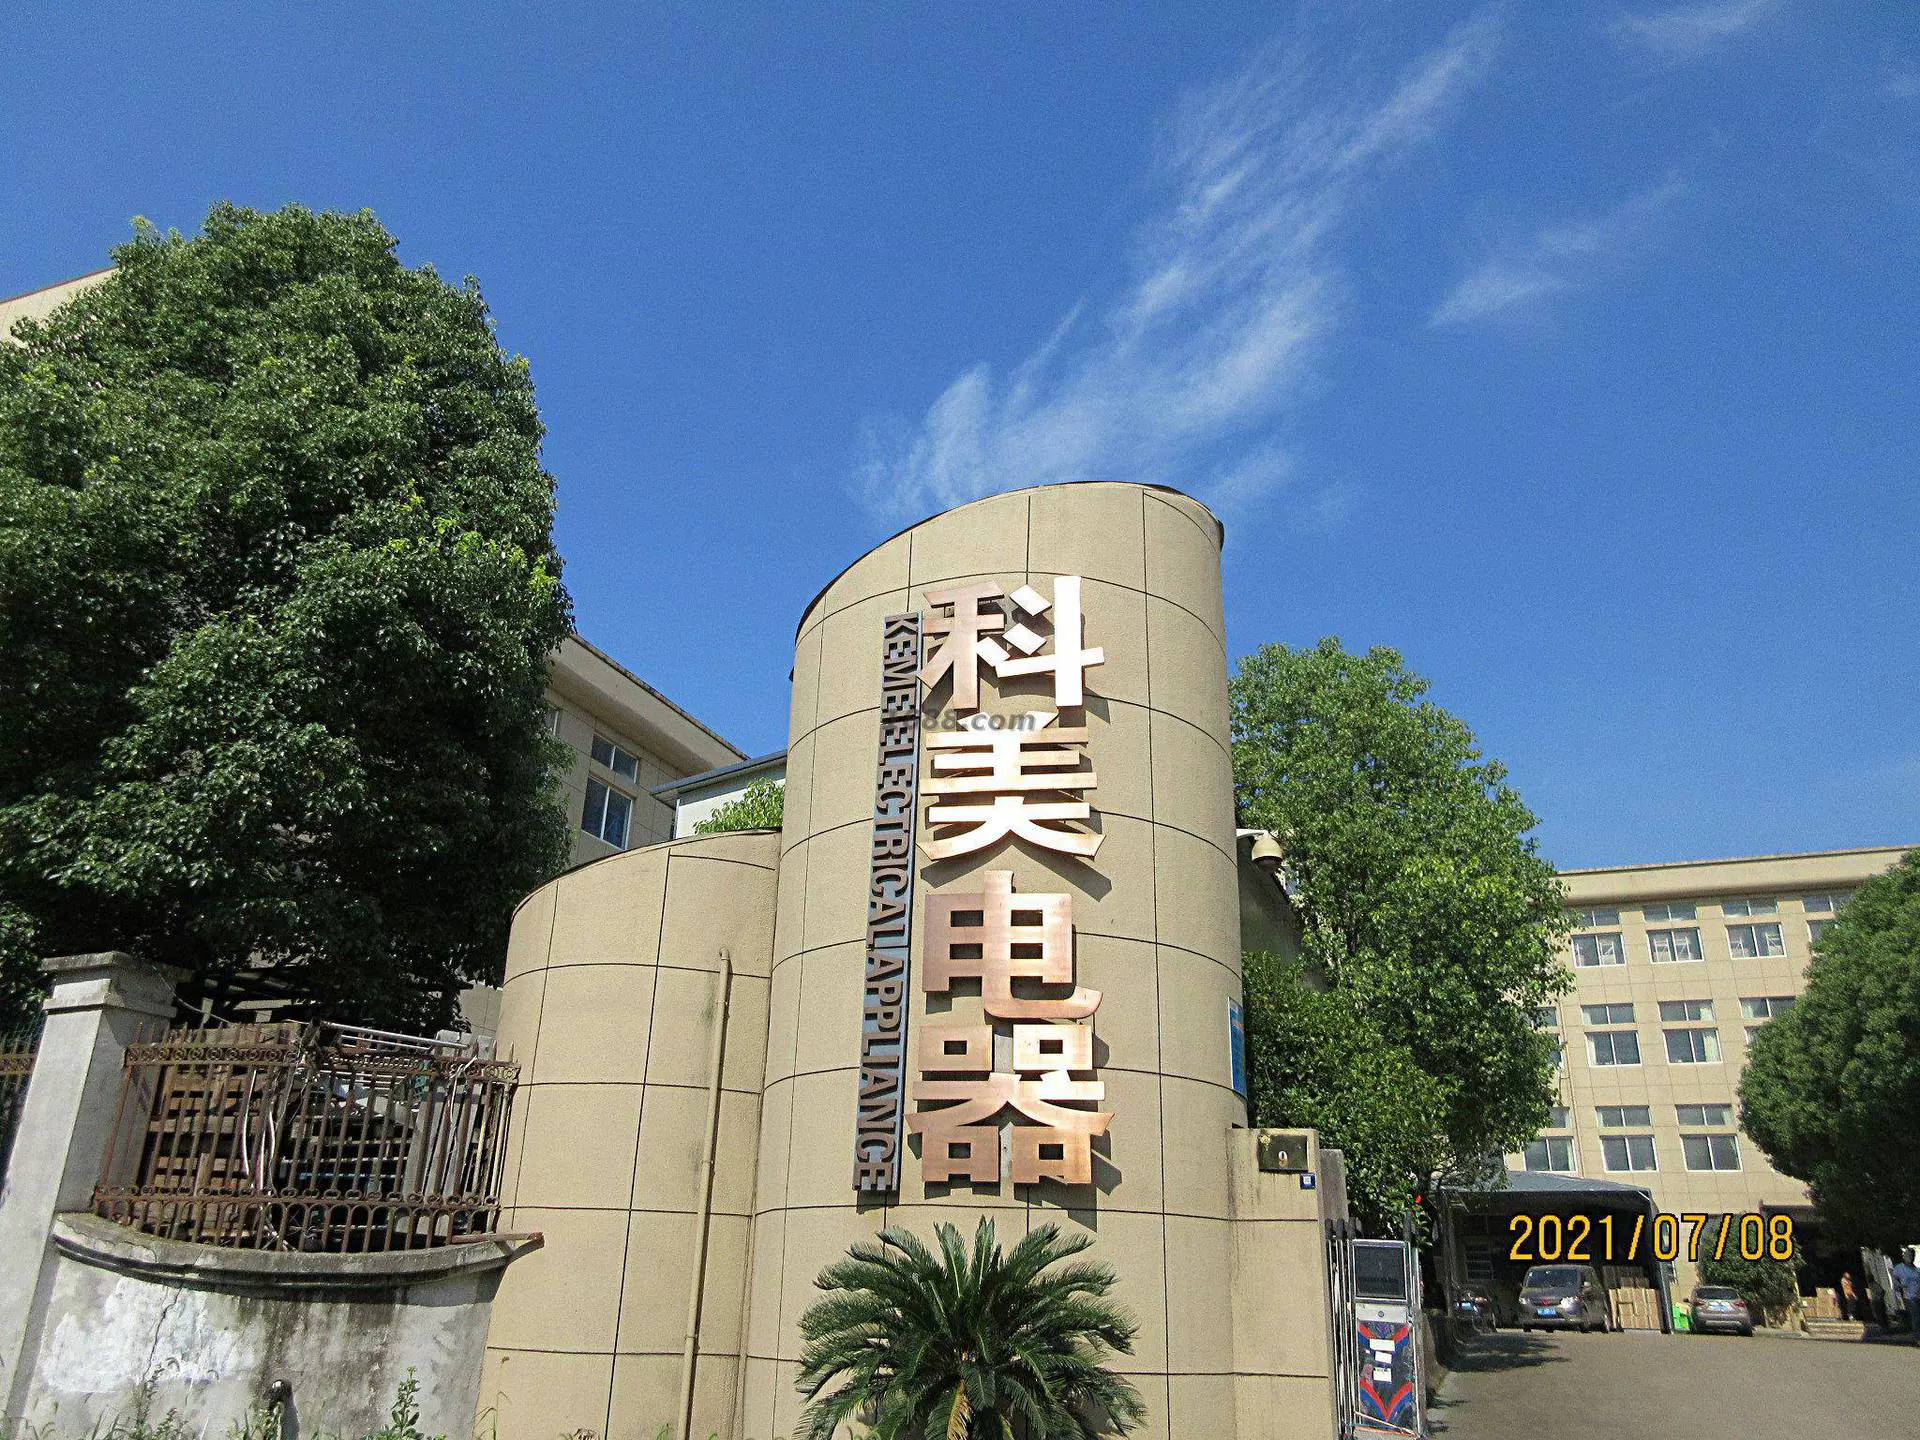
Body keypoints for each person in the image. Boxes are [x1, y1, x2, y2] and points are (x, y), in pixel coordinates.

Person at [1893, 1250, 1920, 1344]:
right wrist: (1900, 1285)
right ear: (1904, 1256)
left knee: (1917, 1317)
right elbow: (1894, 1279)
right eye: (1908, 1255)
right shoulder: (1899, 1267)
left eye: (1912, 1255)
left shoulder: (1915, 1269)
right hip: (1909, 1296)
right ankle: (1917, 1338)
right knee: (1916, 1317)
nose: (1911, 1257)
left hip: (1918, 1296)